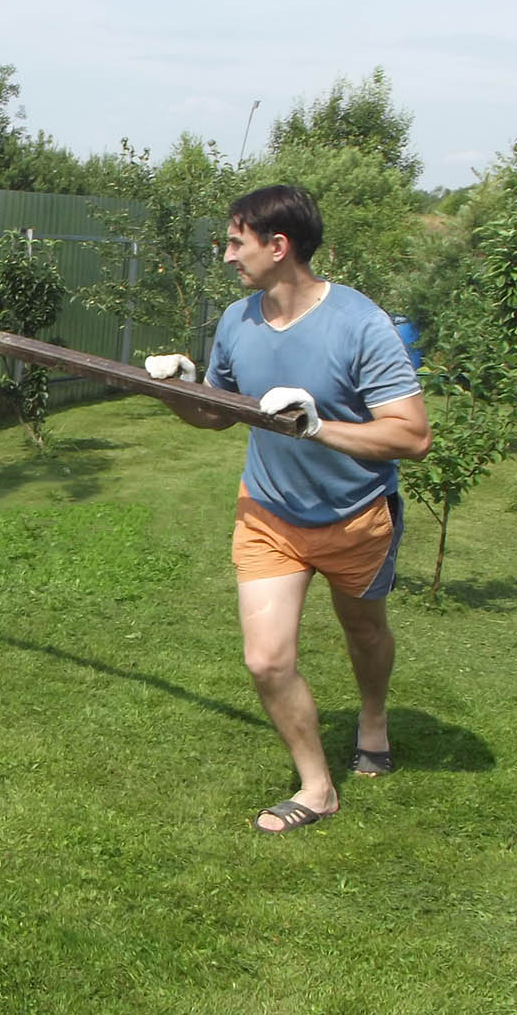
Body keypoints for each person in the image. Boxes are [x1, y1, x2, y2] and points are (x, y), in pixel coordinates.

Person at [145, 185, 430, 833]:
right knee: (266, 658)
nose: (225, 255)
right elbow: (218, 416)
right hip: (269, 514)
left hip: (356, 515)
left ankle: (374, 718)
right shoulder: (236, 321)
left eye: (235, 242)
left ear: (279, 246)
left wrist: (318, 426)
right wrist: (177, 390)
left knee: (364, 632)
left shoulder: (360, 323)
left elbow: (412, 436)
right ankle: (317, 784)